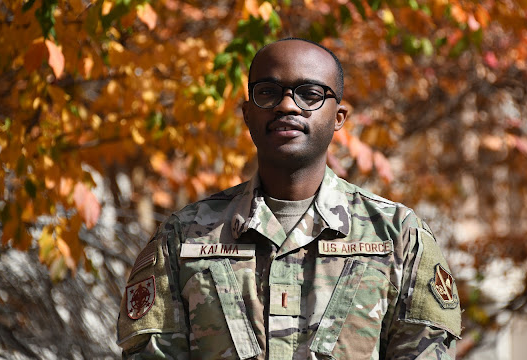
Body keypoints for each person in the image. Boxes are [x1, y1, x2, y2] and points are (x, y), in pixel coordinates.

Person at [117, 38, 461, 359]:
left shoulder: (397, 236)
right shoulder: (183, 236)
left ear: (338, 117)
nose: (285, 105)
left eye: (309, 94)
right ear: (247, 114)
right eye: (268, 92)